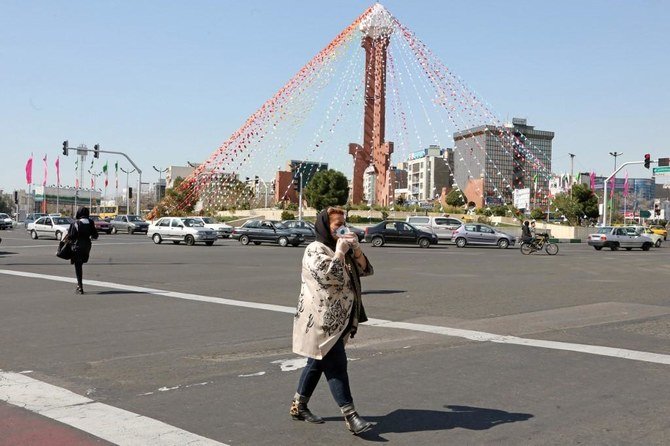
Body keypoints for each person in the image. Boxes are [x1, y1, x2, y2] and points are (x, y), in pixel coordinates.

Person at [290, 207, 374, 435]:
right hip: (320, 321)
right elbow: (330, 277)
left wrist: (355, 250)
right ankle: (351, 415)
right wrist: (338, 252)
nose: (342, 228)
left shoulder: (344, 248)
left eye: (344, 223)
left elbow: (366, 270)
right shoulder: (314, 249)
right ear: (325, 226)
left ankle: (299, 406)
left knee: (316, 362)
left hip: (341, 317)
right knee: (336, 364)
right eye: (337, 225)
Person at [68, 207, 98, 294]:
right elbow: (95, 235)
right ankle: (79, 285)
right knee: (81, 263)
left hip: (77, 247)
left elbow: (71, 236)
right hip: (87, 247)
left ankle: (80, 286)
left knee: (78, 267)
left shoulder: (76, 223)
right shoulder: (91, 222)